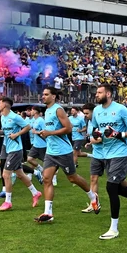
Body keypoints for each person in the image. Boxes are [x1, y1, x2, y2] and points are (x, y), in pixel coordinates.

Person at [90, 84, 127, 240]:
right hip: (105, 154)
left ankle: (114, 229)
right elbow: (95, 130)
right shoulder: (96, 111)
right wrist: (96, 134)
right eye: (96, 92)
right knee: (117, 188)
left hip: (121, 153)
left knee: (111, 188)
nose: (97, 94)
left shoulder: (121, 109)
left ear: (108, 94)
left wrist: (119, 134)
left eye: (100, 92)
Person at [34, 87, 95, 224]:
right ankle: (48, 213)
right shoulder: (47, 110)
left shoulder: (58, 109)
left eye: (46, 94)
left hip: (63, 151)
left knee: (72, 178)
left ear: (54, 96)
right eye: (42, 94)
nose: (43, 96)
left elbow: (68, 128)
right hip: (51, 151)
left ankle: (93, 197)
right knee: (46, 178)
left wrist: (49, 133)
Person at [0, 97, 42, 211]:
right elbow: (7, 133)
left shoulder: (15, 117)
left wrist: (17, 135)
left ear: (5, 105)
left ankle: (8, 202)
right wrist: (0, 132)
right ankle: (35, 193)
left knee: (6, 175)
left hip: (16, 150)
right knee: (20, 174)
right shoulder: (2, 117)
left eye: (0, 103)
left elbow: (28, 127)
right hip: (8, 148)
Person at [81, 102, 103, 214]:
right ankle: (94, 203)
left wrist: (92, 141)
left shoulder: (100, 121)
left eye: (87, 113)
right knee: (93, 178)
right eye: (84, 113)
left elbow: (101, 139)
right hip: (96, 154)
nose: (85, 115)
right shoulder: (89, 122)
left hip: (107, 154)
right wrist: (90, 143)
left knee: (119, 182)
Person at [25, 105, 46, 185]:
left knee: (46, 161)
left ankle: (52, 177)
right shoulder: (34, 119)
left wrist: (36, 132)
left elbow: (45, 131)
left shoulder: (41, 120)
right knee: (29, 159)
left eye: (32, 110)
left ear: (36, 111)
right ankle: (40, 169)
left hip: (43, 145)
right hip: (35, 144)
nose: (31, 111)